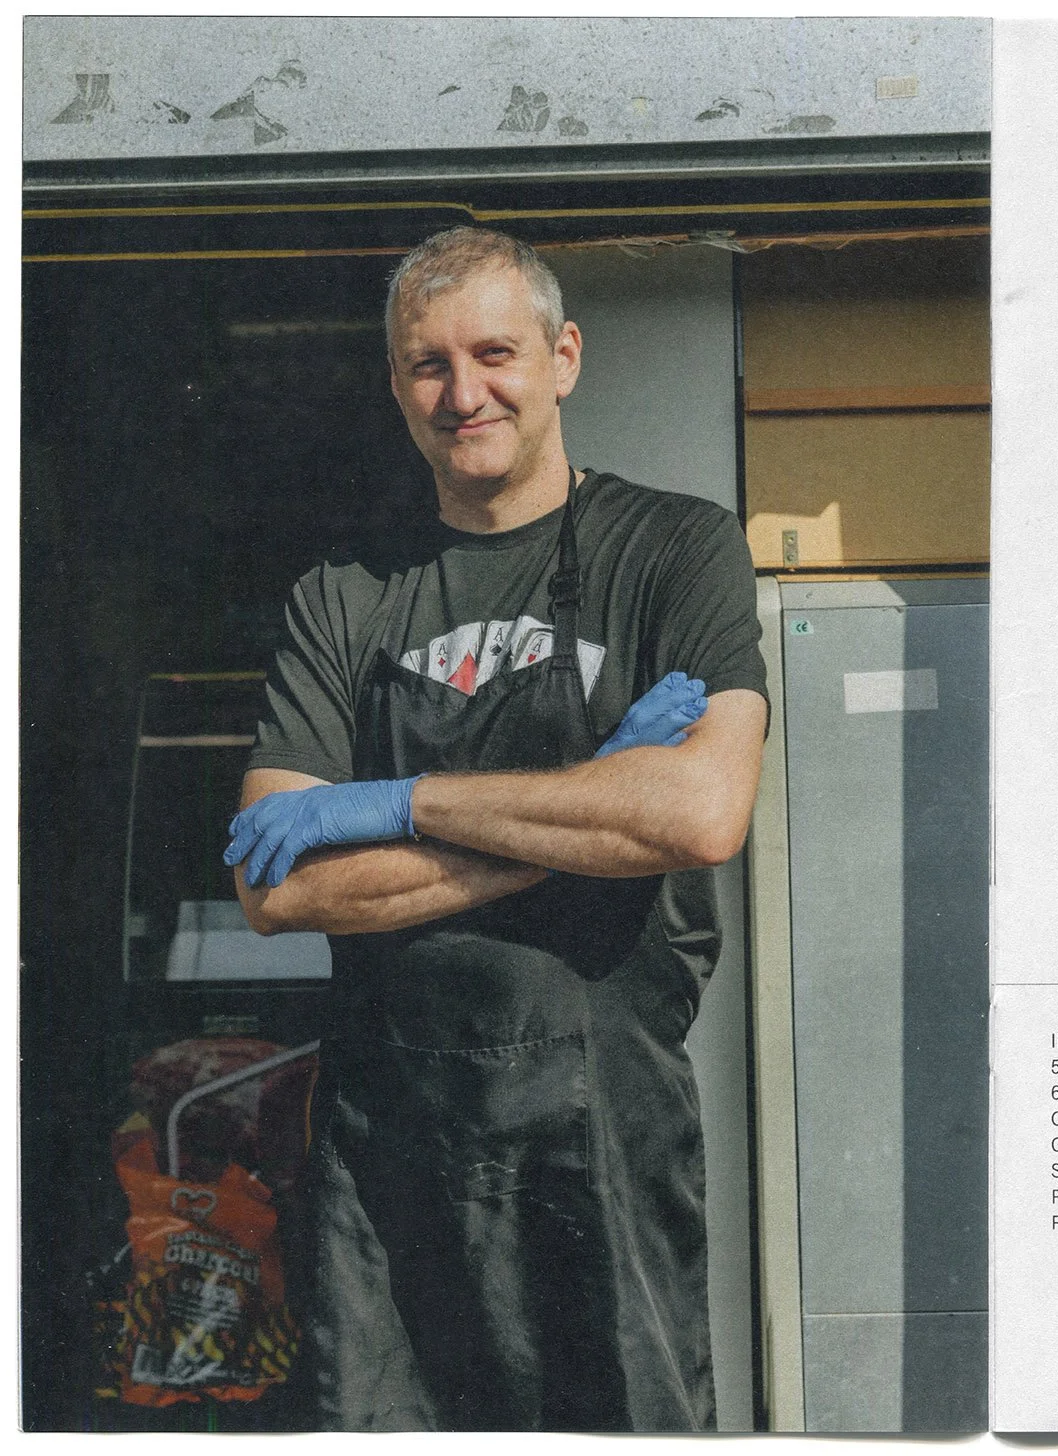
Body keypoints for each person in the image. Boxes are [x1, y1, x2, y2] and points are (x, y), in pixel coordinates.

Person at [225, 226, 768, 1431]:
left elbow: (699, 810)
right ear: (395, 385)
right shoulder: (347, 592)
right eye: (427, 364)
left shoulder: (676, 551)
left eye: (495, 352)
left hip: (608, 1146)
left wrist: (396, 802)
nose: (463, 393)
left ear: (563, 356)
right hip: (390, 1166)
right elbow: (280, 884)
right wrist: (588, 802)